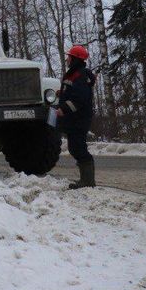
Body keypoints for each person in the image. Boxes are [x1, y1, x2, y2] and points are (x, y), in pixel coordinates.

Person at [56, 45, 96, 189]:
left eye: (69, 57)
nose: (67, 59)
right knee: (75, 147)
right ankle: (85, 181)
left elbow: (79, 99)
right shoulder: (73, 73)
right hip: (73, 120)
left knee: (78, 148)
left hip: (79, 119)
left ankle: (88, 181)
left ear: (75, 59)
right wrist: (61, 94)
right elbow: (72, 91)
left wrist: (64, 109)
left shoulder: (80, 75)